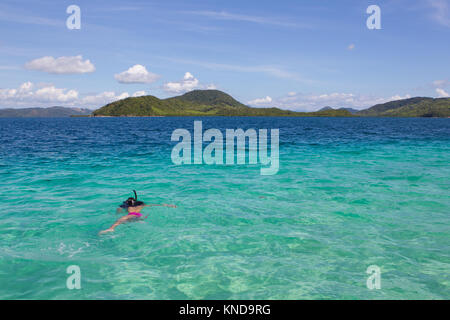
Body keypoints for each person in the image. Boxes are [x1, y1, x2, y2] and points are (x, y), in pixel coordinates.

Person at [99, 190, 176, 235]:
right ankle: (140, 222)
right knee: (137, 221)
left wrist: (117, 212)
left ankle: (111, 229)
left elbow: (119, 211)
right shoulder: (141, 205)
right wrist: (168, 205)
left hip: (131, 215)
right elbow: (154, 205)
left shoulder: (127, 206)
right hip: (140, 216)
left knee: (119, 221)